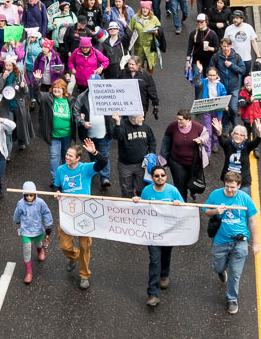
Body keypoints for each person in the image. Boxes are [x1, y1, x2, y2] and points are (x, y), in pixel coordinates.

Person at [54, 139, 107, 290]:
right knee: (64, 245)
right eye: (67, 155)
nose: (67, 157)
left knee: (85, 245)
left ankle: (84, 275)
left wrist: (94, 152)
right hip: (67, 212)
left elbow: (103, 163)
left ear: (78, 158)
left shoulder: (86, 169)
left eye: (71, 156)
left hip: (85, 214)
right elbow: (57, 186)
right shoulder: (60, 170)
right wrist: (57, 192)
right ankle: (73, 256)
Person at [203, 170, 259, 314]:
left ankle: (232, 299)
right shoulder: (216, 194)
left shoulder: (245, 198)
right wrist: (215, 211)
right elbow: (205, 211)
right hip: (220, 241)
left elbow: (253, 221)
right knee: (217, 266)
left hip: (240, 242)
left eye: (233, 187)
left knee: (235, 273)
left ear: (239, 186)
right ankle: (221, 271)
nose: (229, 190)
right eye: (227, 186)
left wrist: (256, 243)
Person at [133, 166, 184, 308]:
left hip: (169, 231)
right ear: (152, 178)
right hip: (153, 232)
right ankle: (153, 294)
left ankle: (164, 274)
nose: (160, 178)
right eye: (157, 176)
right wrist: (136, 201)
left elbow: (186, 208)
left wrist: (179, 204)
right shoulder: (147, 191)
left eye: (162, 175)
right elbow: (141, 210)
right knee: (155, 260)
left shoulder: (173, 191)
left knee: (166, 256)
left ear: (166, 177)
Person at [160, 108, 208, 202]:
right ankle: (183, 204)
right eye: (178, 118)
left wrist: (201, 139)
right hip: (177, 162)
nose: (178, 121)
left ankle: (193, 192)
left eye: (181, 119)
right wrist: (163, 160)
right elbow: (166, 143)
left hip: (194, 163)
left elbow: (206, 135)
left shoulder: (197, 127)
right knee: (180, 185)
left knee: (192, 184)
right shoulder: (172, 126)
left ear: (188, 120)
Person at [13, 181, 53, 283]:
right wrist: (17, 220)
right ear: (23, 195)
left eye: (31, 195)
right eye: (27, 195)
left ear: (35, 194)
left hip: (38, 230)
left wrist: (48, 225)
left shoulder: (40, 203)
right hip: (25, 232)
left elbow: (46, 213)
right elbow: (17, 213)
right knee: (26, 252)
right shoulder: (21, 204)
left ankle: (40, 250)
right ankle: (29, 272)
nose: (29, 197)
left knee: (38, 243)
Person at [110, 111, 156, 198]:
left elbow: (152, 141)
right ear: (132, 118)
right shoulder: (123, 126)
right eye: (141, 117)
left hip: (142, 164)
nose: (143, 119)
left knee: (142, 188)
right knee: (126, 189)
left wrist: (152, 153)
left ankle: (142, 207)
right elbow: (116, 136)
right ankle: (128, 208)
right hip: (125, 165)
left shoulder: (145, 127)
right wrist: (117, 123)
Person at [213, 119, 261, 191]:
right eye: (236, 134)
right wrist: (219, 131)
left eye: (241, 135)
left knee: (243, 201)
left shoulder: (247, 146)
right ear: (232, 135)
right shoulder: (228, 144)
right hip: (229, 181)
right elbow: (221, 139)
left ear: (244, 138)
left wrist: (259, 132)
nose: (238, 136)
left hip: (243, 182)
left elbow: (257, 142)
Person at [223, 8, 261, 78]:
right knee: (235, 77)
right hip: (233, 58)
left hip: (246, 59)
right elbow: (225, 44)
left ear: (242, 19)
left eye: (237, 18)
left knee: (245, 77)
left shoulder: (248, 28)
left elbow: (254, 42)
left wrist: (258, 56)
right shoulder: (229, 29)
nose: (234, 20)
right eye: (233, 18)